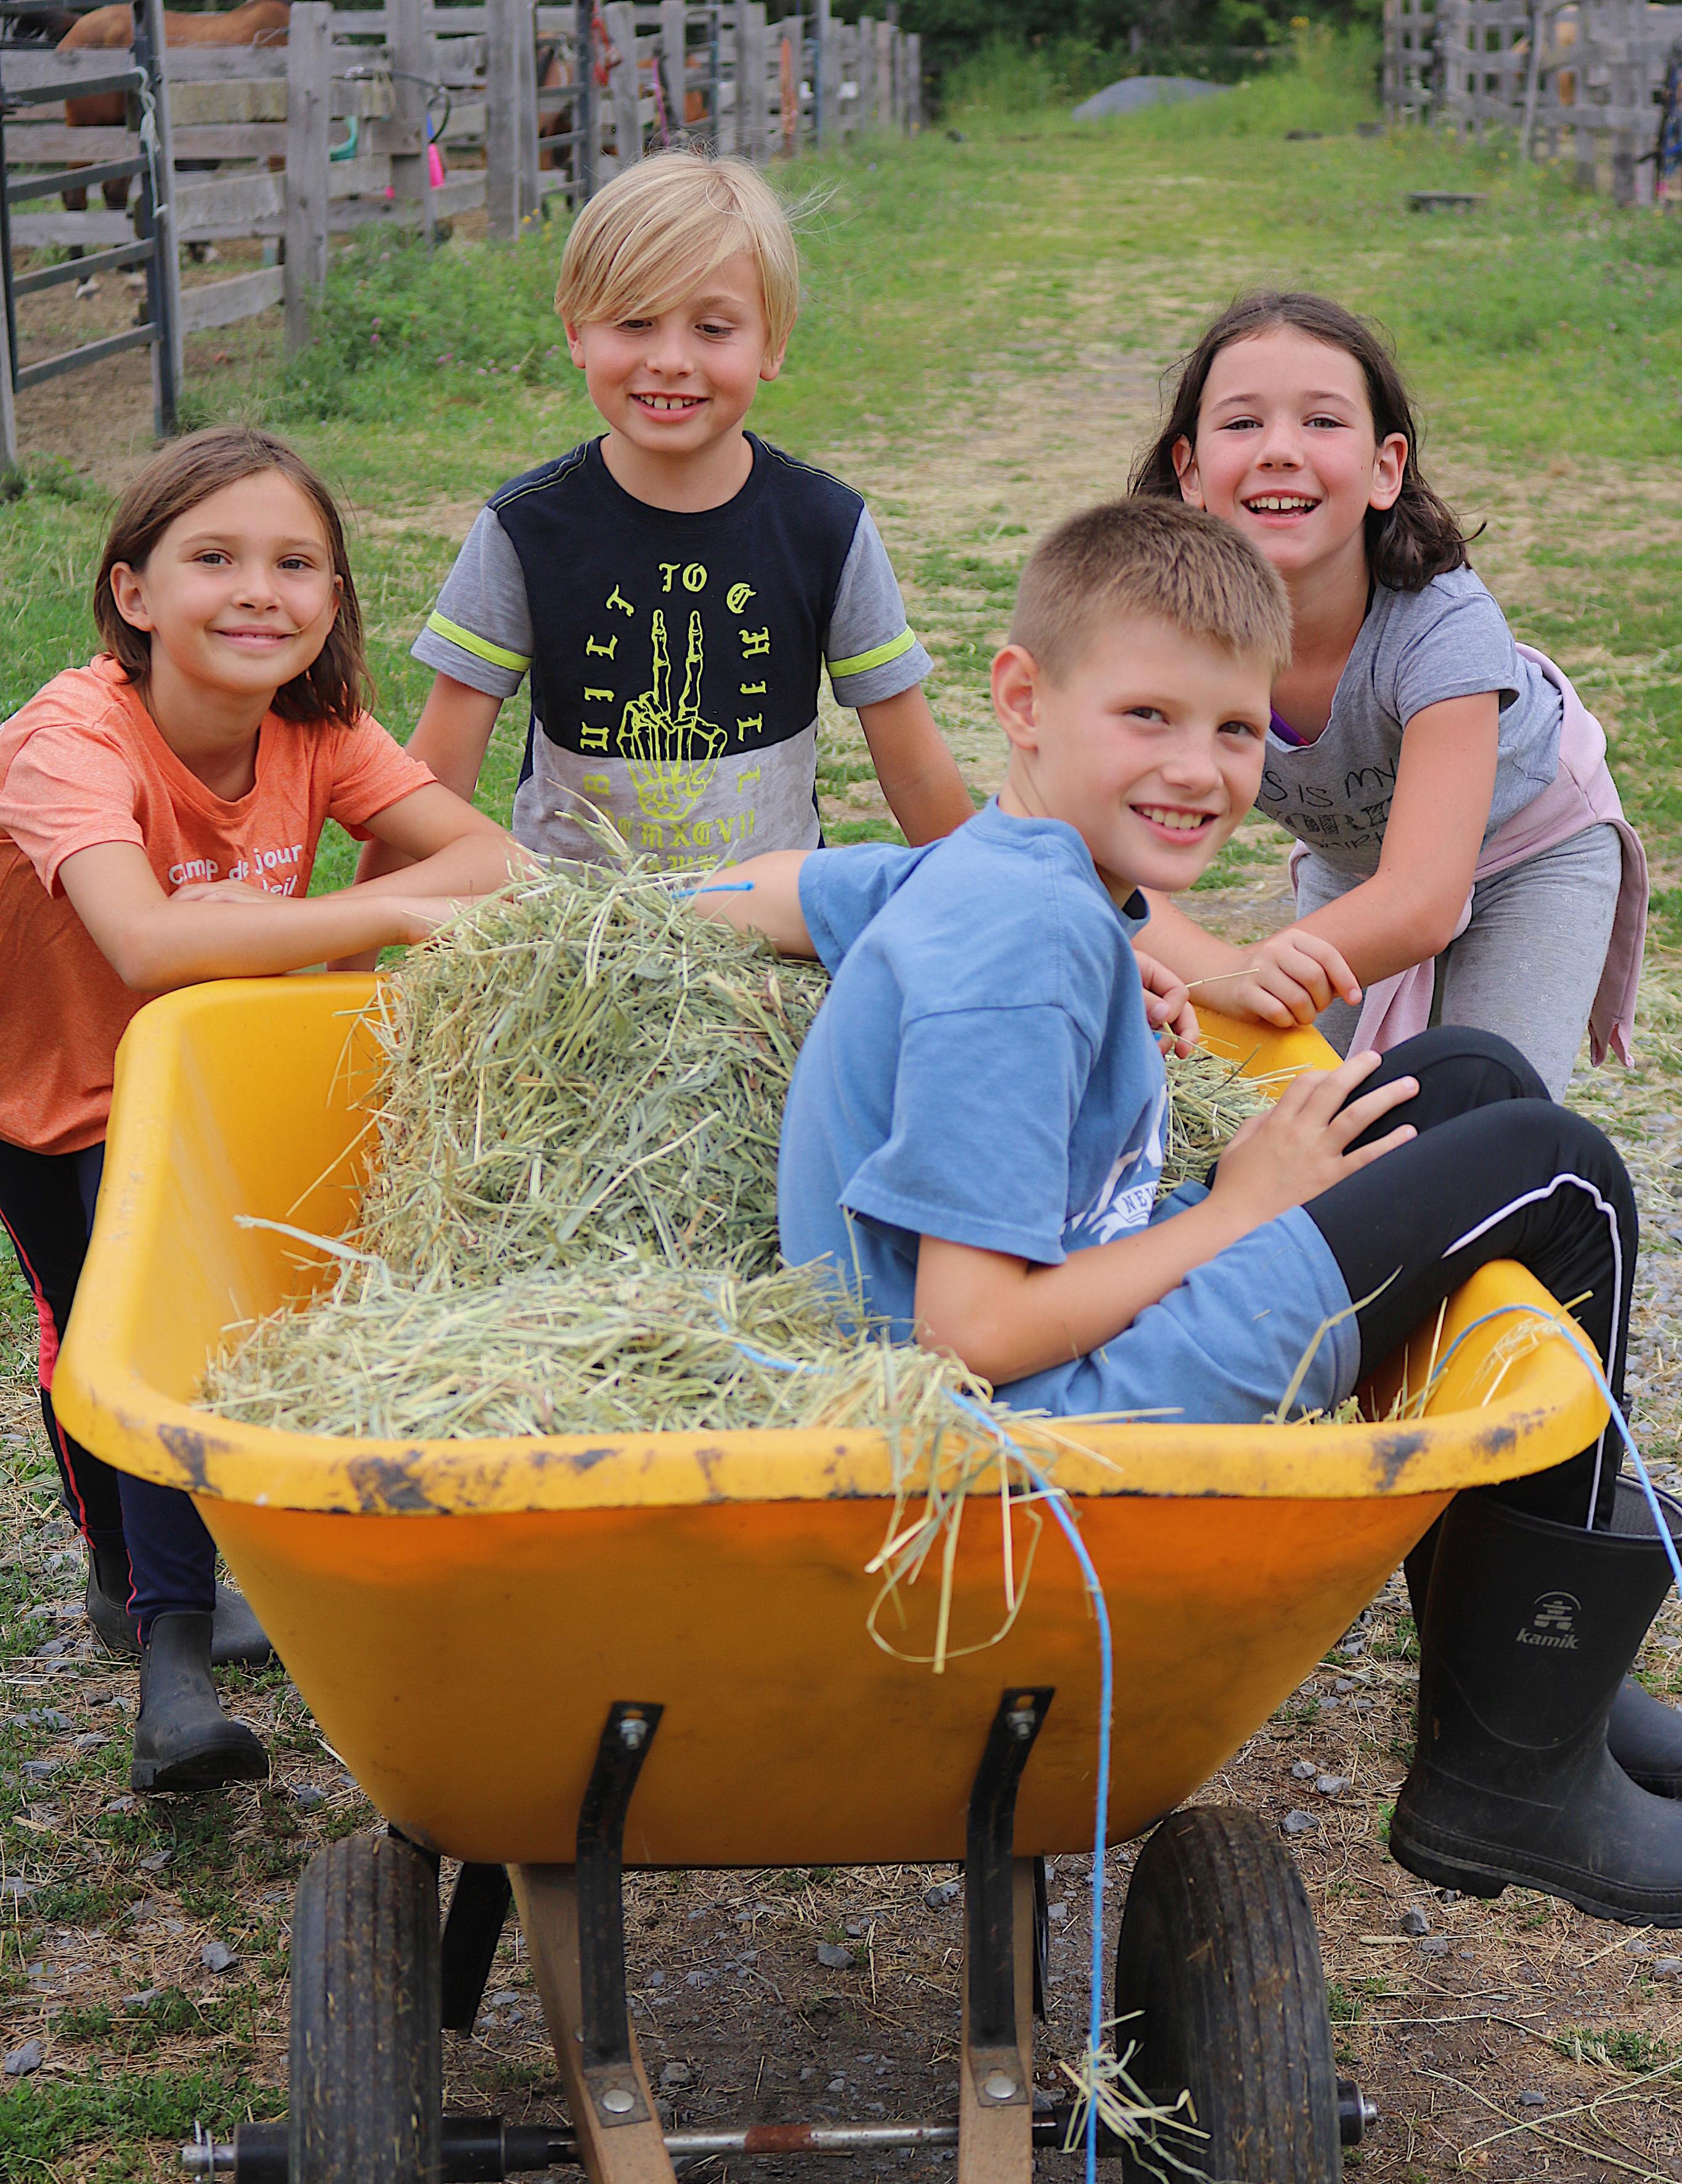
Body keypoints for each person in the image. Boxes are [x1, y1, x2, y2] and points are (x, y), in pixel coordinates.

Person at [694, 496, 1682, 1926]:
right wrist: (1241, 1206)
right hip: (1040, 1424)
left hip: (1065, 1334)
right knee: (1560, 1170)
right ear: (1023, 700)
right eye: (1148, 715)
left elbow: (781, 887)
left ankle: (1555, 1697)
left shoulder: (1012, 875)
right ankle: (1511, 1773)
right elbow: (968, 1333)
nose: (1197, 770)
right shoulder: (1020, 949)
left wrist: (1120, 946)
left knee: (1463, 1079)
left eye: (1233, 731)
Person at [0, 427, 522, 1796]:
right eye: (214, 558)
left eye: (298, 563)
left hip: (206, 1077)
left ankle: (186, 1622)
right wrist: (375, 913)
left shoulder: (317, 731)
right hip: (55, 1087)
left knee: (229, 1320)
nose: (260, 592)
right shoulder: (69, 739)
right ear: (132, 592)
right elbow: (142, 943)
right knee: (111, 1342)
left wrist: (292, 924)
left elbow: (499, 863)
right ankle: (153, 1622)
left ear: (336, 601)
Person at [1124, 291, 1645, 1102]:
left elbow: (1421, 903)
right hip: (1358, 866)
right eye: (1240, 423)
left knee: (1484, 1120)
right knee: (1278, 1107)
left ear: (1384, 468)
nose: (1279, 450)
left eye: (1322, 422)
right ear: (1189, 470)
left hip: (1528, 853)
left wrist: (1243, 973)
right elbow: (1092, 860)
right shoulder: (1158, 633)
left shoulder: (1442, 628)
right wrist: (1217, 979)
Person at [408, 148, 973, 869]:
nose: (671, 359)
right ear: (577, 331)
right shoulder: (524, 530)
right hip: (568, 946)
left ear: (775, 340)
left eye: (713, 328)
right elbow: (433, 781)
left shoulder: (827, 528)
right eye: (636, 322)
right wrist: (354, 975)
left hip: (769, 952)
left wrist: (995, 921)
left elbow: (916, 769)